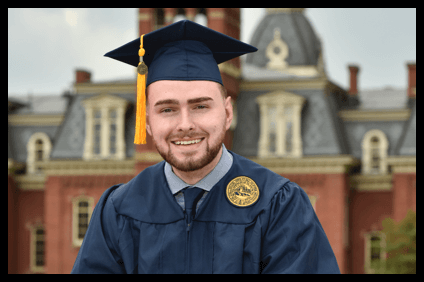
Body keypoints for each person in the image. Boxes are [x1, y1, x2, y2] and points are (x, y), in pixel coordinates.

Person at [71, 20, 340, 274]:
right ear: (148, 122)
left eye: (200, 106)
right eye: (167, 109)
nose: (185, 124)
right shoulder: (118, 211)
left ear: (227, 113)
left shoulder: (278, 205)